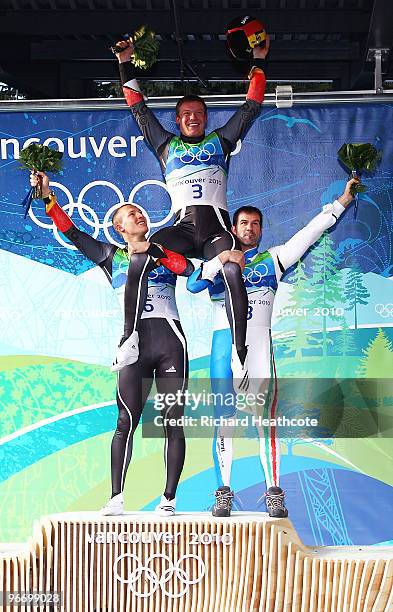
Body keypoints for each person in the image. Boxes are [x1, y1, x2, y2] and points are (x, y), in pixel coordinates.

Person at [187, 177, 360, 518]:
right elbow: (193, 284)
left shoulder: (275, 258)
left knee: (265, 422)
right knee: (225, 421)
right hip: (223, 349)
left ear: (262, 230)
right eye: (244, 224)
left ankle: (273, 493)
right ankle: (224, 492)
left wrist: (341, 201)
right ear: (233, 229)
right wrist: (220, 259)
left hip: (259, 349)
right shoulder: (219, 260)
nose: (249, 229)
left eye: (255, 224)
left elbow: (310, 232)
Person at [30, 171, 194, 517]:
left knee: (172, 420)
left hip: (170, 343)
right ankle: (116, 497)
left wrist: (157, 250)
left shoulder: (163, 250)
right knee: (125, 421)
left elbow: (187, 268)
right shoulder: (110, 257)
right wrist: (48, 198)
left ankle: (168, 500)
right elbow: (72, 232)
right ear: (120, 228)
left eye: (141, 212)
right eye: (131, 215)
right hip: (134, 347)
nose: (139, 216)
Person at [112, 37, 269, 387]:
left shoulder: (220, 141)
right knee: (142, 254)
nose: (193, 118)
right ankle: (129, 337)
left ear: (206, 117)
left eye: (198, 114)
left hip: (215, 231)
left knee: (230, 271)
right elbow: (139, 110)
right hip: (182, 230)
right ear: (178, 120)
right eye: (186, 115)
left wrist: (258, 58)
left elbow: (251, 106)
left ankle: (239, 353)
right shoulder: (166, 145)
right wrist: (124, 63)